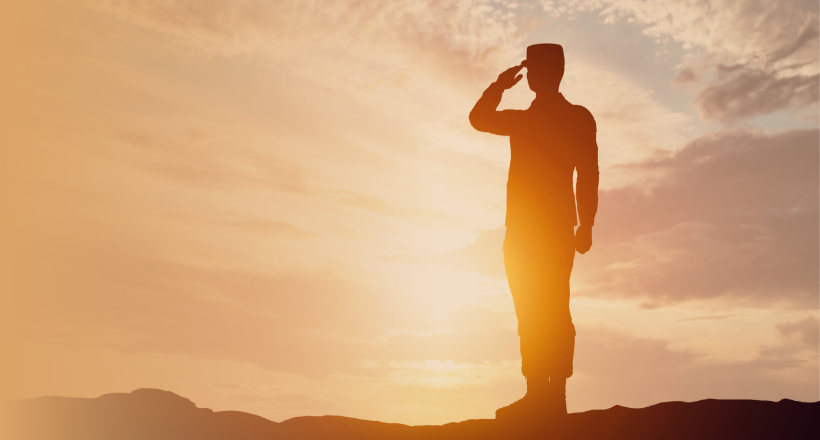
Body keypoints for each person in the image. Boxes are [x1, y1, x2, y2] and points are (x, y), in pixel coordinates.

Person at [469, 44, 599, 421]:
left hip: (538, 231)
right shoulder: (572, 118)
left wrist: (499, 85)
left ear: (536, 75)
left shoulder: (535, 120)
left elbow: (478, 118)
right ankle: (542, 394)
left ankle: (547, 395)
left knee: (543, 308)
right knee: (542, 307)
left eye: (533, 69)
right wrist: (586, 222)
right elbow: (588, 174)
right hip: (540, 230)